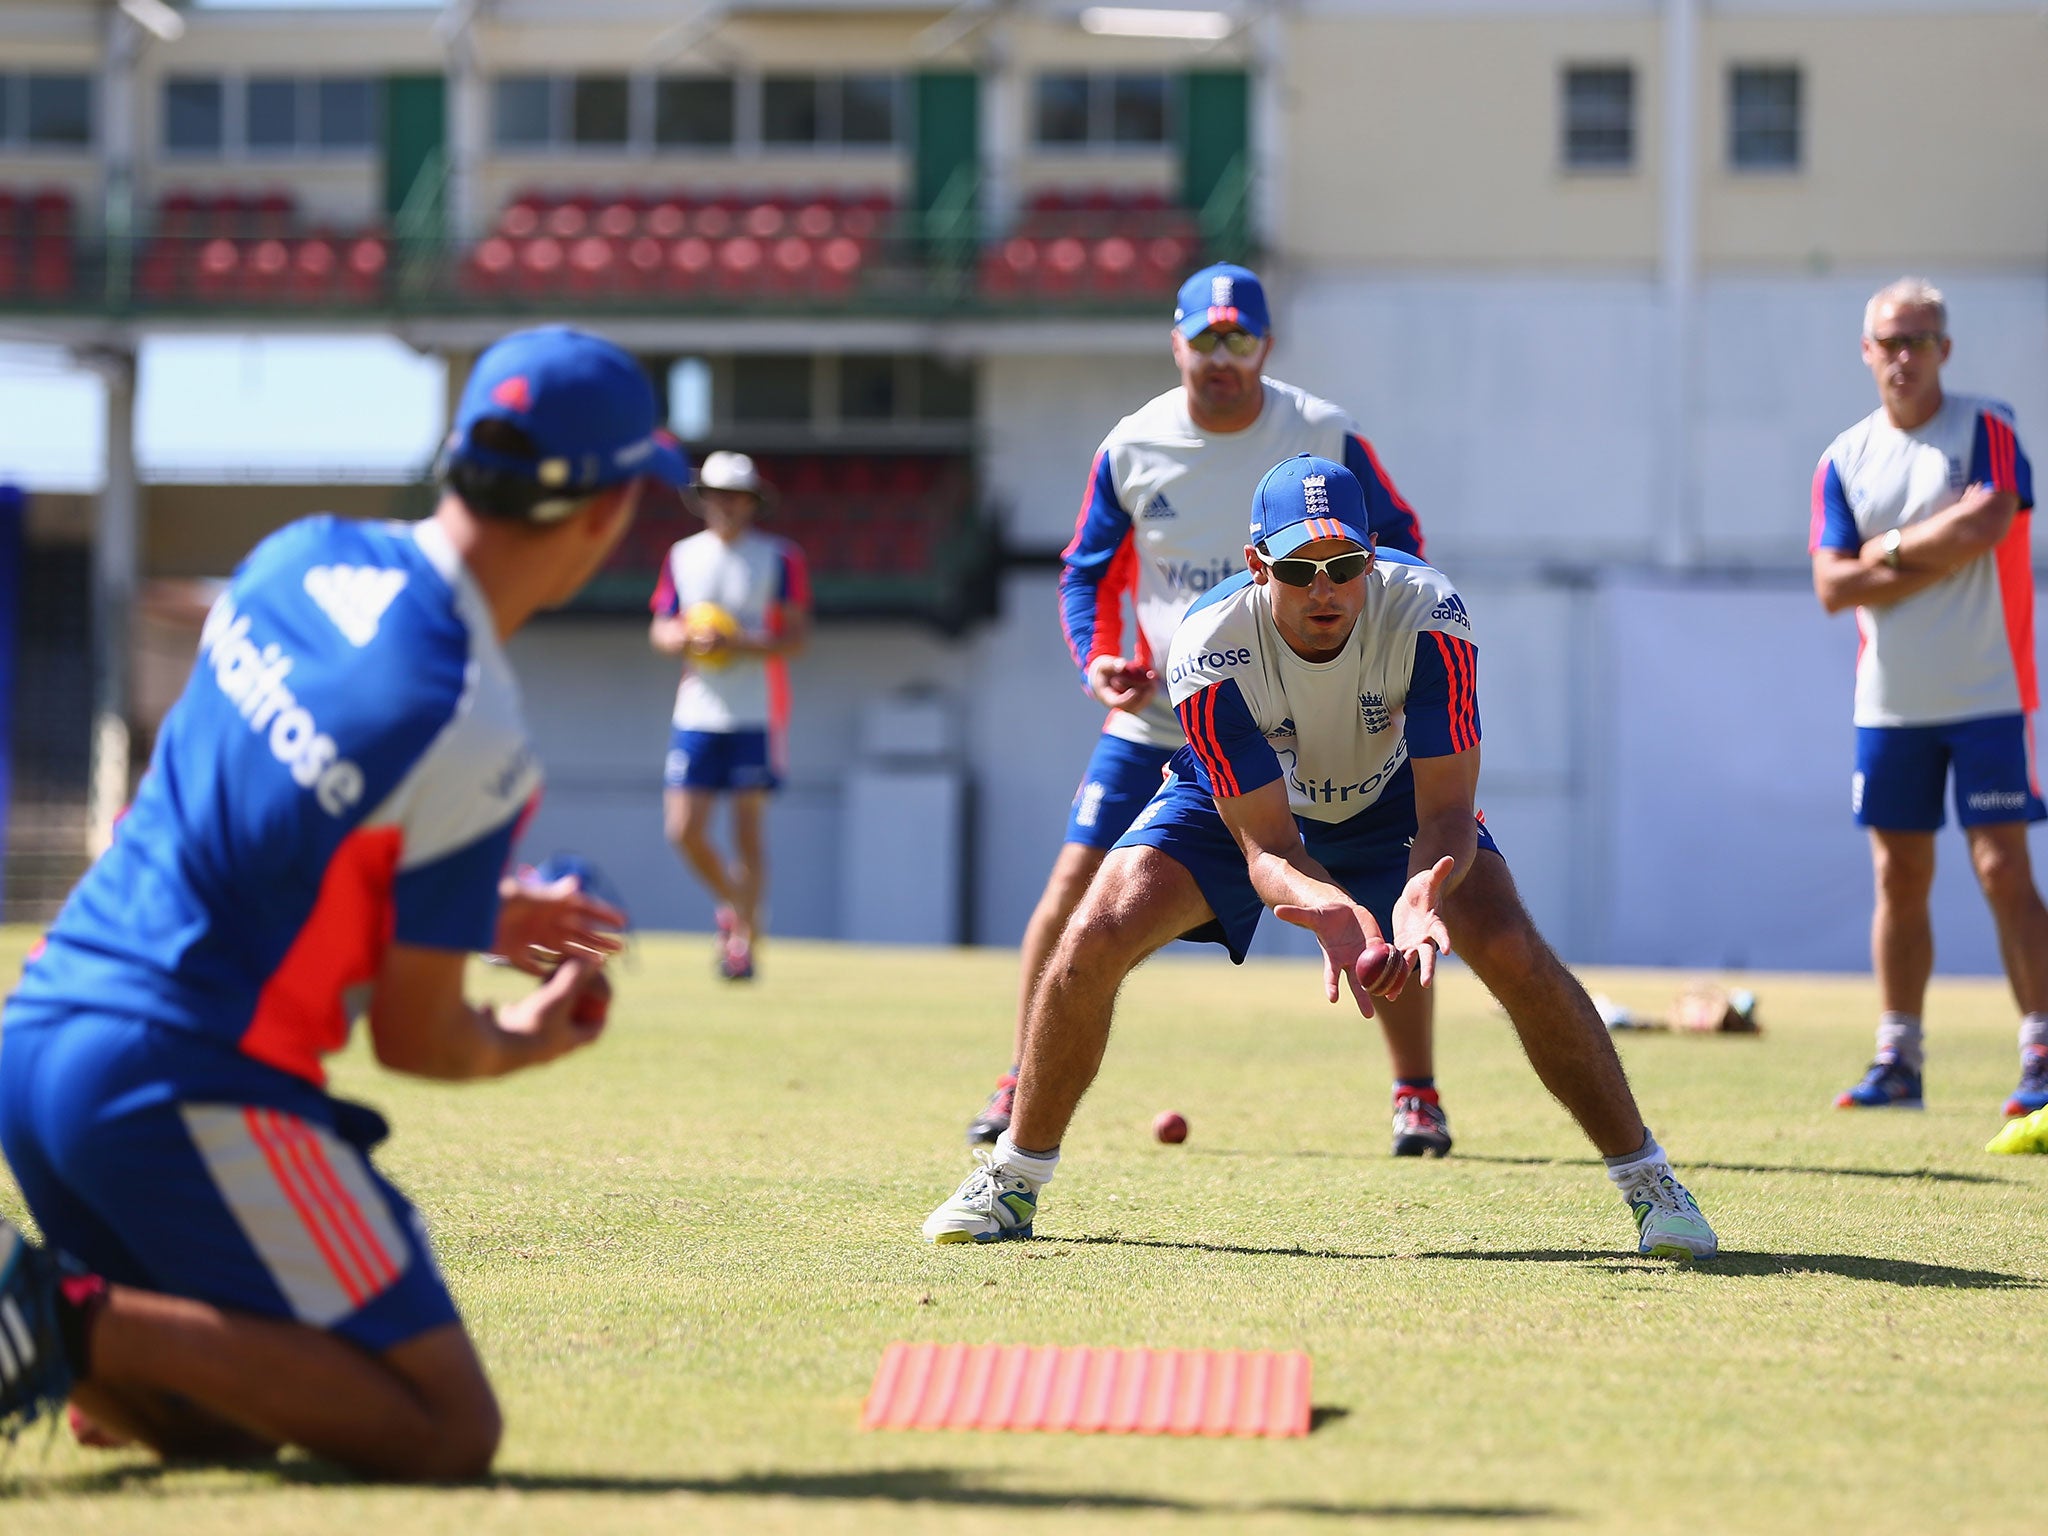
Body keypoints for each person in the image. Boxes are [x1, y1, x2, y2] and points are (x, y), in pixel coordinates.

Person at [0, 325, 677, 1475]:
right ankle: (58, 1319)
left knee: (229, 1428)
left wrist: (472, 901)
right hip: (178, 1085)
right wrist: (524, 1038)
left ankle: (75, 1337)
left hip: (37, 1048)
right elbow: (418, 1041)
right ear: (607, 515)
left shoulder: (294, 555)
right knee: (441, 1427)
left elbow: (267, 813)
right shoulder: (471, 718)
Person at [924, 454, 1718, 1260]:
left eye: (1344, 566)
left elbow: (1447, 811)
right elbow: (1267, 844)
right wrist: (1329, 906)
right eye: (1299, 568)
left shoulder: (1430, 612)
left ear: (1371, 558)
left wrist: (1418, 896)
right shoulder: (1206, 644)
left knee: (1513, 947)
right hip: (1240, 810)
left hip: (1396, 803)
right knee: (1093, 935)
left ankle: (1650, 1182)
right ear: (1257, 564)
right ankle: (1015, 1177)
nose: (1324, 588)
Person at [964, 263, 1445, 1158]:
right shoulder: (1133, 444)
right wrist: (1098, 658)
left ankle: (1415, 1090)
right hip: (1164, 717)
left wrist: (1380, 671)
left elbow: (1400, 549)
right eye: (1205, 338)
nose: (1222, 357)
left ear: (1265, 344)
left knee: (1380, 885)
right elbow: (1085, 568)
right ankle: (1020, 1073)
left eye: (1241, 338)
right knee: (1077, 892)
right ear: (1176, 341)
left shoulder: (1323, 435)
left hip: (1316, 716)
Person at [1809, 277, 2046, 1117]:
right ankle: (1898, 1058)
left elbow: (1991, 524)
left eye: (1919, 340)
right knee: (1898, 875)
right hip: (1890, 703)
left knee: (2000, 867)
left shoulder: (1986, 426)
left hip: (1990, 691)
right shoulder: (1844, 456)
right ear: (1867, 352)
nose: (1903, 356)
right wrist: (1932, 546)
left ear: (1945, 348)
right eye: (1889, 341)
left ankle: (2042, 1051)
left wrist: (1891, 549)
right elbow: (1832, 586)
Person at [649, 451, 811, 981]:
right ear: (703, 500)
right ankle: (735, 907)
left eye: (736, 496)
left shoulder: (779, 557)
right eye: (717, 495)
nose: (726, 506)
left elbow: (794, 638)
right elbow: (661, 627)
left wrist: (736, 643)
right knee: (683, 829)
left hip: (755, 711)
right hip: (697, 709)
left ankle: (743, 944)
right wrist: (682, 638)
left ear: (751, 502)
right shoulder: (681, 555)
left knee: (747, 831)